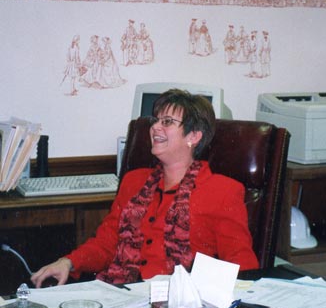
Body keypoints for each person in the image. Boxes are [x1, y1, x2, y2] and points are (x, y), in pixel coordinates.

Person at [31, 89, 259, 287]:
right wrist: (68, 262)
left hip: (181, 306)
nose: (155, 128)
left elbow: (241, 264)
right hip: (119, 292)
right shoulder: (134, 182)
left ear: (193, 136)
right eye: (156, 120)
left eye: (167, 122)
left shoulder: (223, 191)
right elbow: (107, 243)